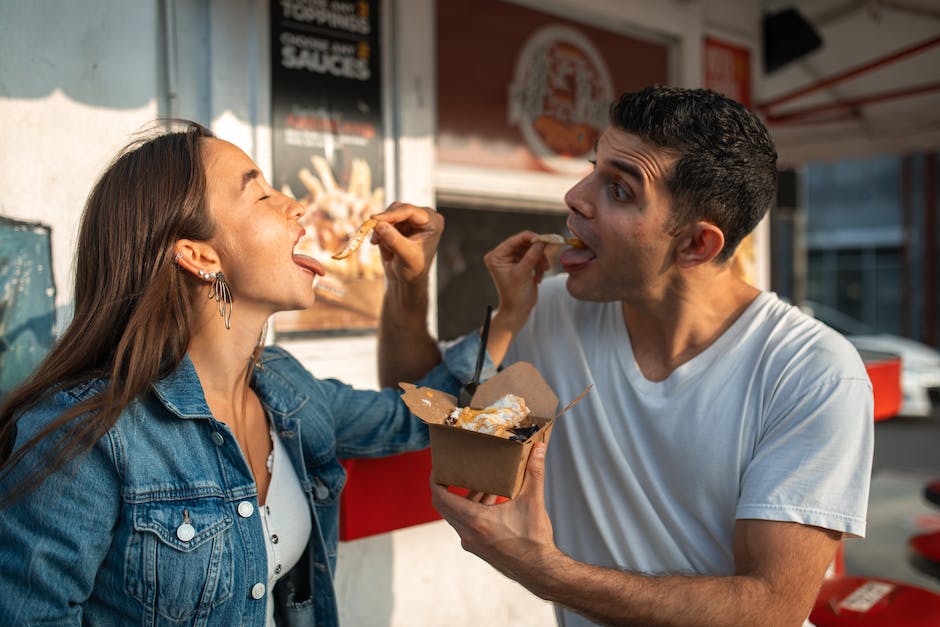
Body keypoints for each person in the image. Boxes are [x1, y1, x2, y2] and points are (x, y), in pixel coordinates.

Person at [380, 85, 874, 626]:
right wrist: (409, 286)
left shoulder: (811, 371)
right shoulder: (546, 313)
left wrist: (544, 570)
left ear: (695, 245)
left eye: (618, 189)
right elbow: (413, 412)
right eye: (593, 169)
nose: (575, 196)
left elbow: (770, 609)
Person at [0, 121, 483, 626]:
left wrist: (492, 308)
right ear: (199, 255)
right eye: (261, 194)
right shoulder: (88, 434)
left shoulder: (285, 388)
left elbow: (411, 418)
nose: (296, 205)